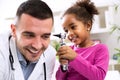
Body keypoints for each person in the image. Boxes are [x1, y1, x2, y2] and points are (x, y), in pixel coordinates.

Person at [0, 0, 57, 80]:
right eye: (29, 35)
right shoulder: (2, 51)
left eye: (45, 36)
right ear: (14, 31)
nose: (37, 46)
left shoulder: (50, 55)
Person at [56, 0, 109, 80]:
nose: (69, 34)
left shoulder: (100, 49)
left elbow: (98, 77)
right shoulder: (70, 50)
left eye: (73, 27)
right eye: (66, 31)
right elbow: (59, 78)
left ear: (88, 25)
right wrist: (63, 66)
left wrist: (74, 58)